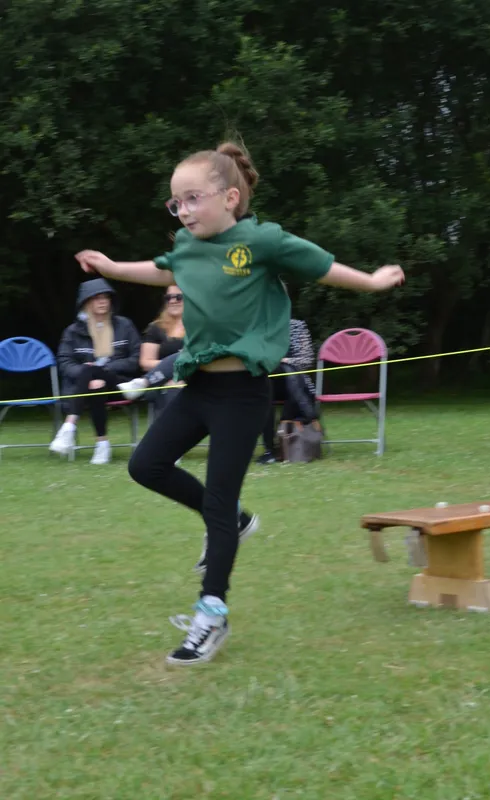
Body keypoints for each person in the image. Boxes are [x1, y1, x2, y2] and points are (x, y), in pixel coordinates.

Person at [75, 140, 404, 666]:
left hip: (243, 395)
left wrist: (370, 281)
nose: (183, 210)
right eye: (175, 202)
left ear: (230, 197)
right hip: (198, 387)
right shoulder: (187, 245)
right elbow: (164, 271)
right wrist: (112, 266)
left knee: (219, 501)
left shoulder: (260, 241)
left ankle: (213, 613)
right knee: (145, 465)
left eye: (192, 199)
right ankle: (236, 521)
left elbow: (319, 265)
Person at [50, 278, 141, 464]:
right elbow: (65, 362)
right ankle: (102, 446)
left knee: (92, 371)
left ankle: (68, 427)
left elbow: (135, 359)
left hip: (120, 384)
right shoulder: (72, 332)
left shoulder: (125, 325)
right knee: (93, 381)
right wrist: (89, 376)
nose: (102, 301)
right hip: (86, 388)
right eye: (96, 298)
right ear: (85, 302)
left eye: (106, 297)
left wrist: (101, 370)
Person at [257, 317, 316, 464]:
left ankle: (284, 445)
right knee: (264, 389)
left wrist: (284, 361)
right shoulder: (257, 328)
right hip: (265, 383)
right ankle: (270, 449)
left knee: (285, 384)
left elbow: (307, 359)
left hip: (294, 382)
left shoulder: (297, 326)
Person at [118, 284, 186, 415]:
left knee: (184, 358)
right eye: (169, 298)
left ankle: (143, 383)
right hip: (162, 381)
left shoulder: (200, 327)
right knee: (175, 380)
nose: (173, 301)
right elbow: (145, 362)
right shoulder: (156, 328)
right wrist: (171, 369)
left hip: (197, 376)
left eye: (179, 297)